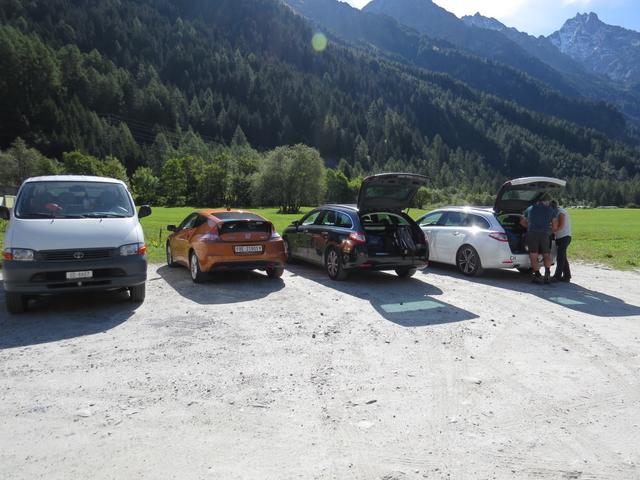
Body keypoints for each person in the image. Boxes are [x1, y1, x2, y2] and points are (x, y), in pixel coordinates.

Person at [520, 194, 558, 284]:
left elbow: (522, 221)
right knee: (546, 254)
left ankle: (537, 275)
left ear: (537, 201)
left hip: (532, 234)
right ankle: (547, 274)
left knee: (533, 255)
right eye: (548, 201)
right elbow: (555, 226)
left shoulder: (530, 209)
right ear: (545, 201)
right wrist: (550, 231)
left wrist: (529, 227)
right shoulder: (550, 210)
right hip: (545, 234)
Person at [551, 200, 572, 282]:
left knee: (560, 258)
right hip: (560, 237)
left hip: (564, 237)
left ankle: (557, 276)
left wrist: (553, 231)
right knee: (563, 257)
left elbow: (561, 226)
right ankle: (567, 276)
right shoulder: (558, 212)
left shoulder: (561, 212)